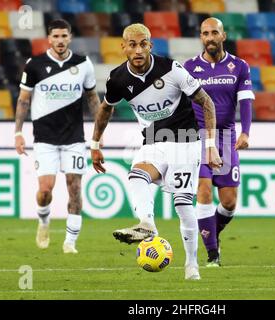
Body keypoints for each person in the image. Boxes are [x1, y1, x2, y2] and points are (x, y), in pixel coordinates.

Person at [90, 23, 222, 280]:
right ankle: (147, 224)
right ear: (124, 47)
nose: (138, 50)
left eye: (143, 44)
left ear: (150, 45)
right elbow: (106, 108)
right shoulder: (117, 79)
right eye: (132, 44)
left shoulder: (172, 70)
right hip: (153, 141)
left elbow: (206, 101)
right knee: (136, 174)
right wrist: (95, 144)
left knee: (183, 205)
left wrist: (210, 146)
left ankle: (191, 265)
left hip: (186, 141)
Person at [14, 19, 100, 254]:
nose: (60, 41)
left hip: (74, 137)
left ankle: (70, 242)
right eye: (56, 37)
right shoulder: (35, 65)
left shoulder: (83, 63)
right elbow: (23, 100)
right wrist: (18, 133)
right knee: (45, 189)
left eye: (64, 36)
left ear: (70, 37)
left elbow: (93, 98)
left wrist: (98, 133)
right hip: (44, 138)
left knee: (74, 187)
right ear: (49, 39)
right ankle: (44, 220)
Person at [184, 18, 254, 267]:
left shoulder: (239, 66)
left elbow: (245, 101)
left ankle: (211, 233)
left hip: (226, 137)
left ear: (223, 35)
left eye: (214, 32)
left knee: (229, 202)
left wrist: (246, 132)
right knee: (203, 190)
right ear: (201, 37)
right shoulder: (189, 67)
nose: (210, 37)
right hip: (198, 138)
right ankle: (213, 255)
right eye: (205, 33)